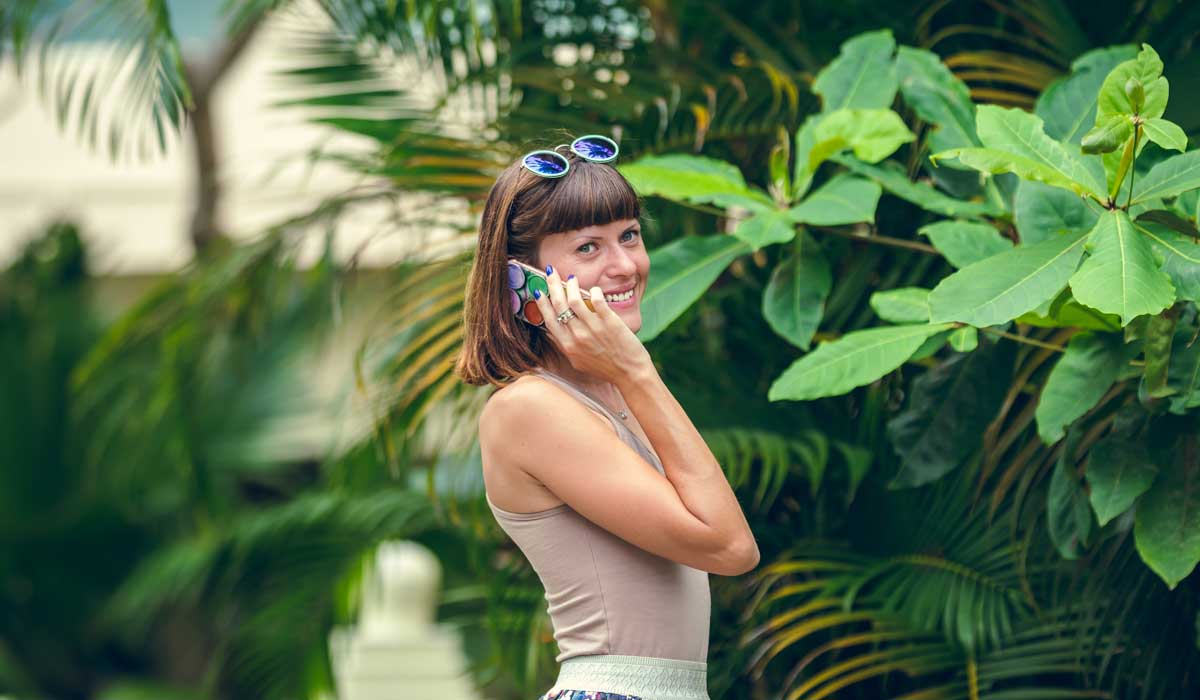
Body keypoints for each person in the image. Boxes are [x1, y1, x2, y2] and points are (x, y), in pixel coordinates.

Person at [455, 135, 759, 700]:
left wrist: (631, 377)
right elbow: (730, 547)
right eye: (588, 248)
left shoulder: (617, 392)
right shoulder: (529, 409)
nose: (625, 266)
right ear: (523, 279)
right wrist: (637, 371)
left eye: (630, 236)